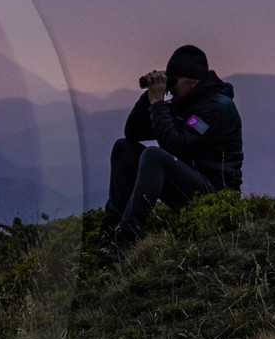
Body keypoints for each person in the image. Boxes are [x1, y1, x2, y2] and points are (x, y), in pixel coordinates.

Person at [100, 44, 243, 264]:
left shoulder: (216, 107)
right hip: (190, 181)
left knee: (154, 156)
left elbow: (175, 145)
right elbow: (133, 132)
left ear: (191, 81)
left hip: (216, 191)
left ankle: (124, 241)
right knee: (123, 148)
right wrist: (150, 96)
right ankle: (108, 235)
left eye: (173, 83)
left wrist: (158, 104)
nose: (171, 90)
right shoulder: (187, 101)